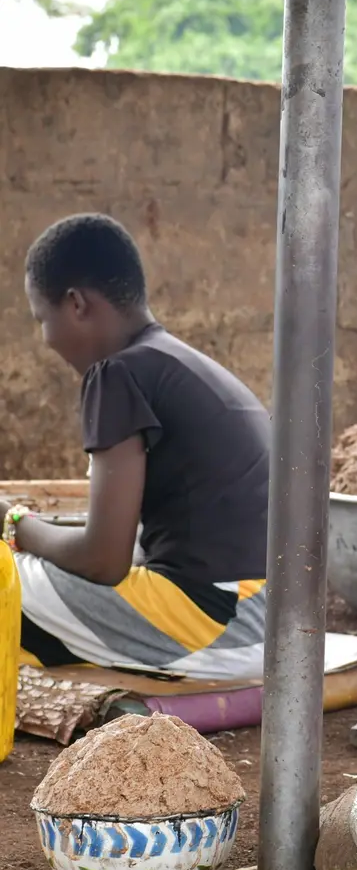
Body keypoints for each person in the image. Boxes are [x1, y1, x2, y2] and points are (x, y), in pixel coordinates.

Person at [8, 214, 271, 680]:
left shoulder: (116, 374)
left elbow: (103, 561)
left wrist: (15, 521)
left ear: (76, 304)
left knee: (8, 578)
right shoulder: (176, 361)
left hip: (211, 626)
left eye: (42, 320)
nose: (46, 340)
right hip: (268, 620)